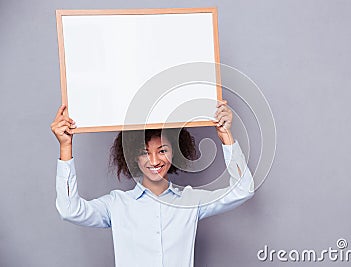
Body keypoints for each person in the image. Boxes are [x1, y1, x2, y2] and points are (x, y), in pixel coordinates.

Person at [51, 100, 254, 267]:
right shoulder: (117, 204)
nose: (155, 161)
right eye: (144, 153)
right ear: (132, 156)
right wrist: (66, 146)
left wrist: (225, 135)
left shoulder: (190, 201)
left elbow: (243, 190)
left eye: (162, 150)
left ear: (176, 151)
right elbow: (70, 210)